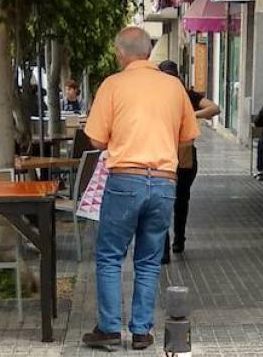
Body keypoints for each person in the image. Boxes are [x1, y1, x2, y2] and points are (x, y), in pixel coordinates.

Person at [82, 27, 199, 351]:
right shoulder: (173, 86)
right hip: (164, 182)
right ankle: (141, 332)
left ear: (120, 53)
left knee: (110, 256)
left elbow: (96, 139)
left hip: (125, 179)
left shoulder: (113, 85)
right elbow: (188, 136)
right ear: (149, 52)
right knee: (149, 259)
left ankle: (109, 328)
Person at [157, 60, 219, 262]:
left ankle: (173, 244)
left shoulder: (183, 95)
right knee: (175, 200)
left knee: (170, 200)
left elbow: (215, 108)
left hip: (174, 156)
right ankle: (171, 244)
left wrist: (191, 115)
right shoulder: (169, 95)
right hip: (172, 156)